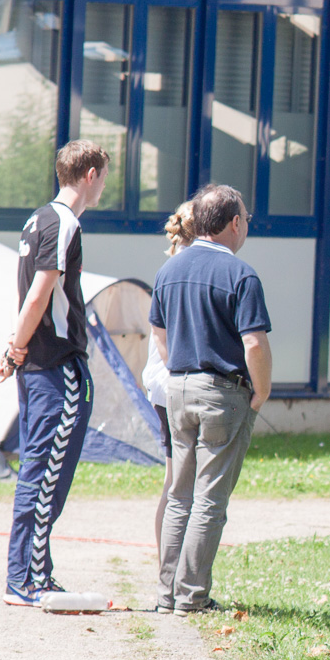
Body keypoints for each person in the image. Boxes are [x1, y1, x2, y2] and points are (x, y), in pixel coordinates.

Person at [151, 184, 272, 615]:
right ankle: (192, 596)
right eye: (246, 219)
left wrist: (181, 373)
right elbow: (254, 343)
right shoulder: (241, 274)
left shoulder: (170, 270)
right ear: (234, 223)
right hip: (223, 392)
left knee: (179, 495)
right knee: (209, 499)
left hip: (178, 388)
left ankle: (168, 594)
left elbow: (161, 337)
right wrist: (262, 391)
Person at [0, 140, 111, 606]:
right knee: (45, 476)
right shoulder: (65, 222)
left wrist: (15, 350)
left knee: (38, 473)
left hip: (37, 365)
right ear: (89, 176)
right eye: (103, 176)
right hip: (56, 366)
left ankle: (31, 574)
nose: (104, 185)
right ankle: (26, 579)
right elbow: (40, 292)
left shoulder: (37, 218)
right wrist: (17, 345)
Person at [142, 202, 196, 553]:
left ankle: (170, 566)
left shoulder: (173, 264)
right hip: (173, 384)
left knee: (175, 480)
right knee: (178, 483)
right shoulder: (186, 268)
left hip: (164, 383)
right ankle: (171, 568)